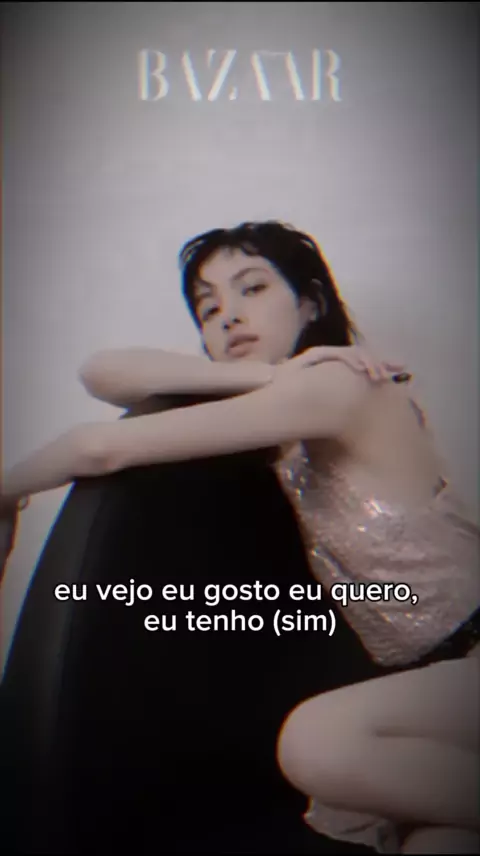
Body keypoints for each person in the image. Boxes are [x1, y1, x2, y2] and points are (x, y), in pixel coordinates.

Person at [1, 220, 478, 854]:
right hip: (422, 695)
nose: (229, 315)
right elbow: (103, 371)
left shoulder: (342, 386)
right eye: (209, 308)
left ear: (310, 303)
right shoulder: (292, 407)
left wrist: (6, 491)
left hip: (466, 667)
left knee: (315, 741)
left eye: (253, 288)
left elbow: (97, 447)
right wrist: (265, 375)